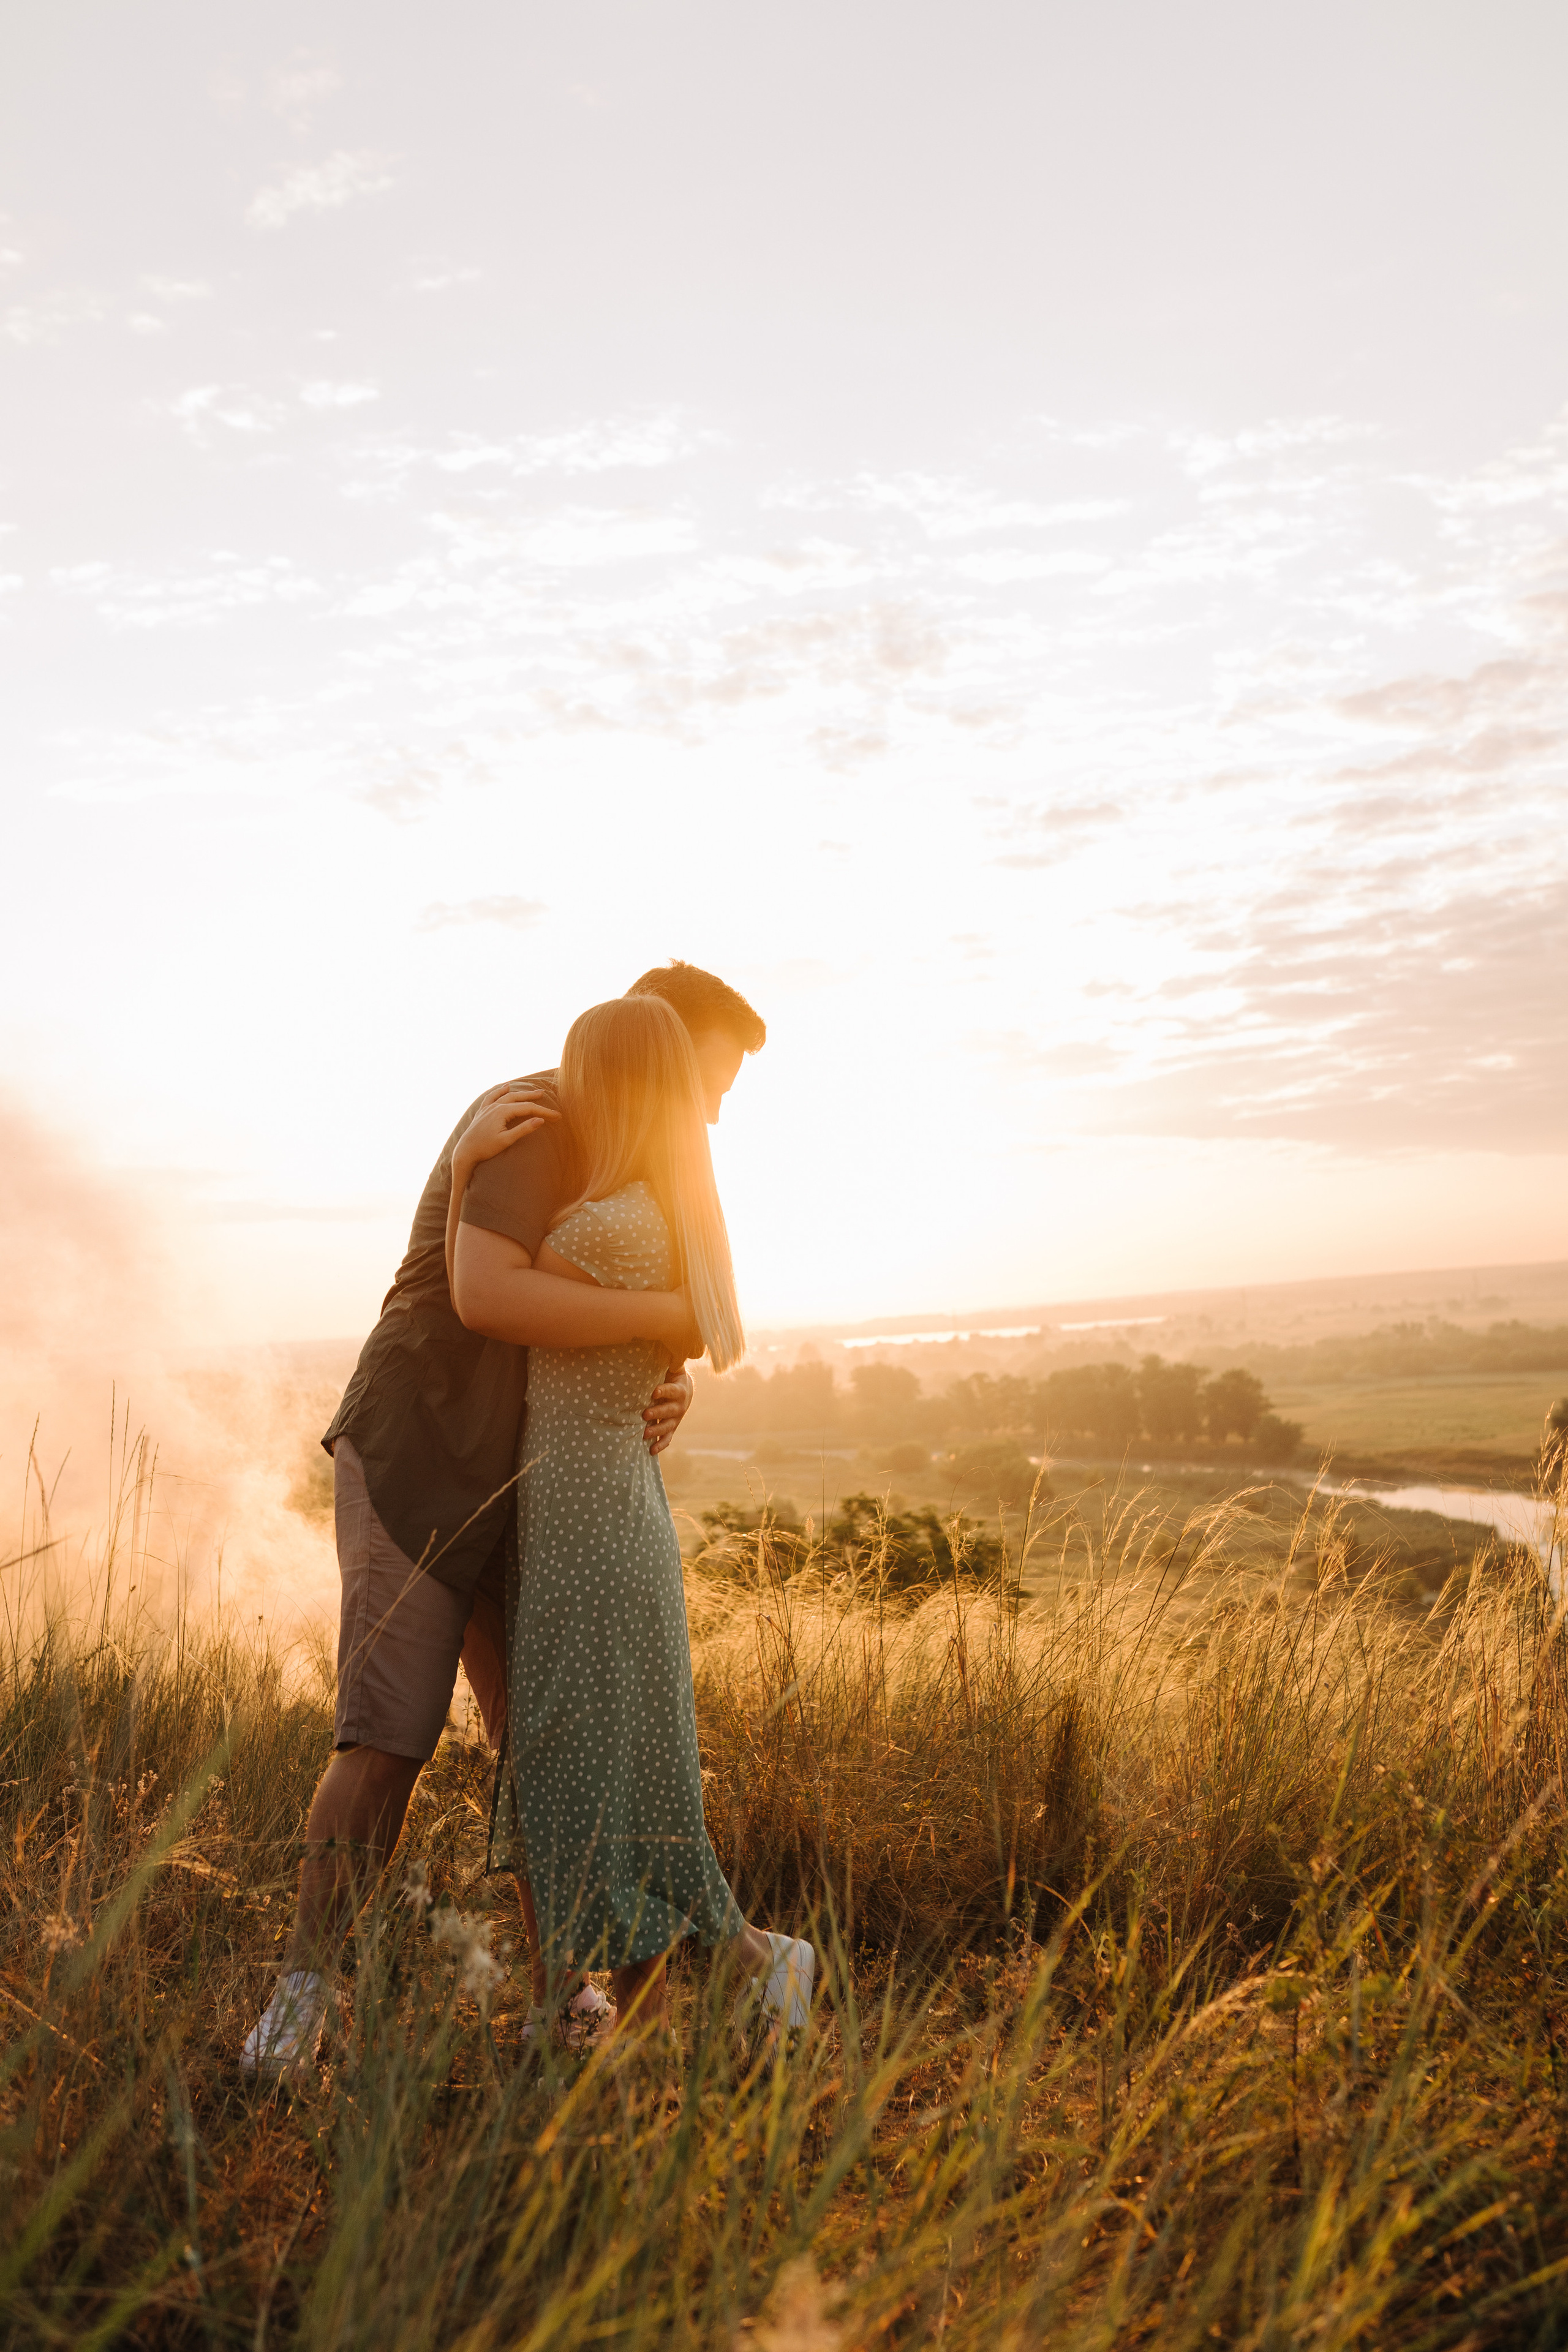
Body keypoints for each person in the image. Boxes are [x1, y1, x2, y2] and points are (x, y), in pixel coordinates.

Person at [241, 962, 765, 2083]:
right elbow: (492, 1298)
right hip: (428, 1447)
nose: (714, 1111)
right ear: (654, 1043)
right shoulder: (536, 1122)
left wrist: (673, 1373)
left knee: (546, 1739)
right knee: (388, 1739)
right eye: (710, 1081)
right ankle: (298, 2007)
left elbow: (630, 1313)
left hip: (534, 1478)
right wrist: (672, 1317)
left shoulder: (629, 1148)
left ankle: (562, 1994)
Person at [449, 992, 814, 2053]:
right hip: (598, 1516)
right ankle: (593, 2004)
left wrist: (470, 1171)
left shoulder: (613, 1223)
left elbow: (493, 1292)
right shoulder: (650, 1205)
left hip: (589, 1526)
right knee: (598, 1769)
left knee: (570, 1764)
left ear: (609, 1083)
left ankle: (737, 1962)